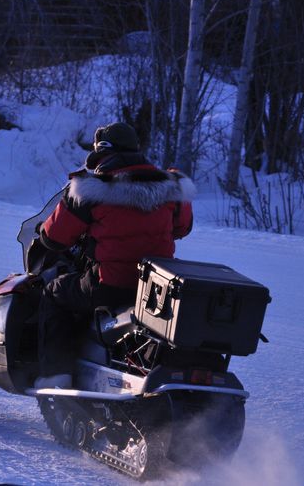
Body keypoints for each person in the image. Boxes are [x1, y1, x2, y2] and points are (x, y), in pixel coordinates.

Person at [33, 122, 195, 389]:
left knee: (55, 292)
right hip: (155, 288)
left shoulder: (90, 187)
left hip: (110, 284)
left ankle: (55, 376)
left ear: (100, 152)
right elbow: (183, 228)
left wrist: (44, 231)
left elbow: (55, 239)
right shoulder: (170, 187)